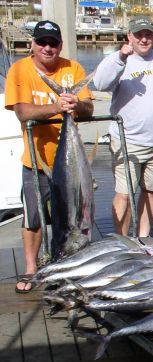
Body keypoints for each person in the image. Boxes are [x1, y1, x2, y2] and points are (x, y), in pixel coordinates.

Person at [4, 20, 93, 294]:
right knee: (33, 217)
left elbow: (88, 109)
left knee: (72, 217)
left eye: (52, 43)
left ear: (60, 46)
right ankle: (31, 268)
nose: (47, 47)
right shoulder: (19, 69)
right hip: (37, 160)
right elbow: (21, 112)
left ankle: (71, 263)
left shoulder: (73, 68)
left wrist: (75, 103)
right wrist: (56, 105)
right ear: (32, 44)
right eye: (41, 42)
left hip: (71, 165)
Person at [93, 15, 153, 237]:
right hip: (127, 142)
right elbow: (100, 83)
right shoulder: (120, 60)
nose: (144, 39)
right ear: (129, 36)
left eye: (148, 34)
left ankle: (143, 237)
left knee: (151, 191)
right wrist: (121, 57)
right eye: (139, 35)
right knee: (124, 194)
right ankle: (122, 241)